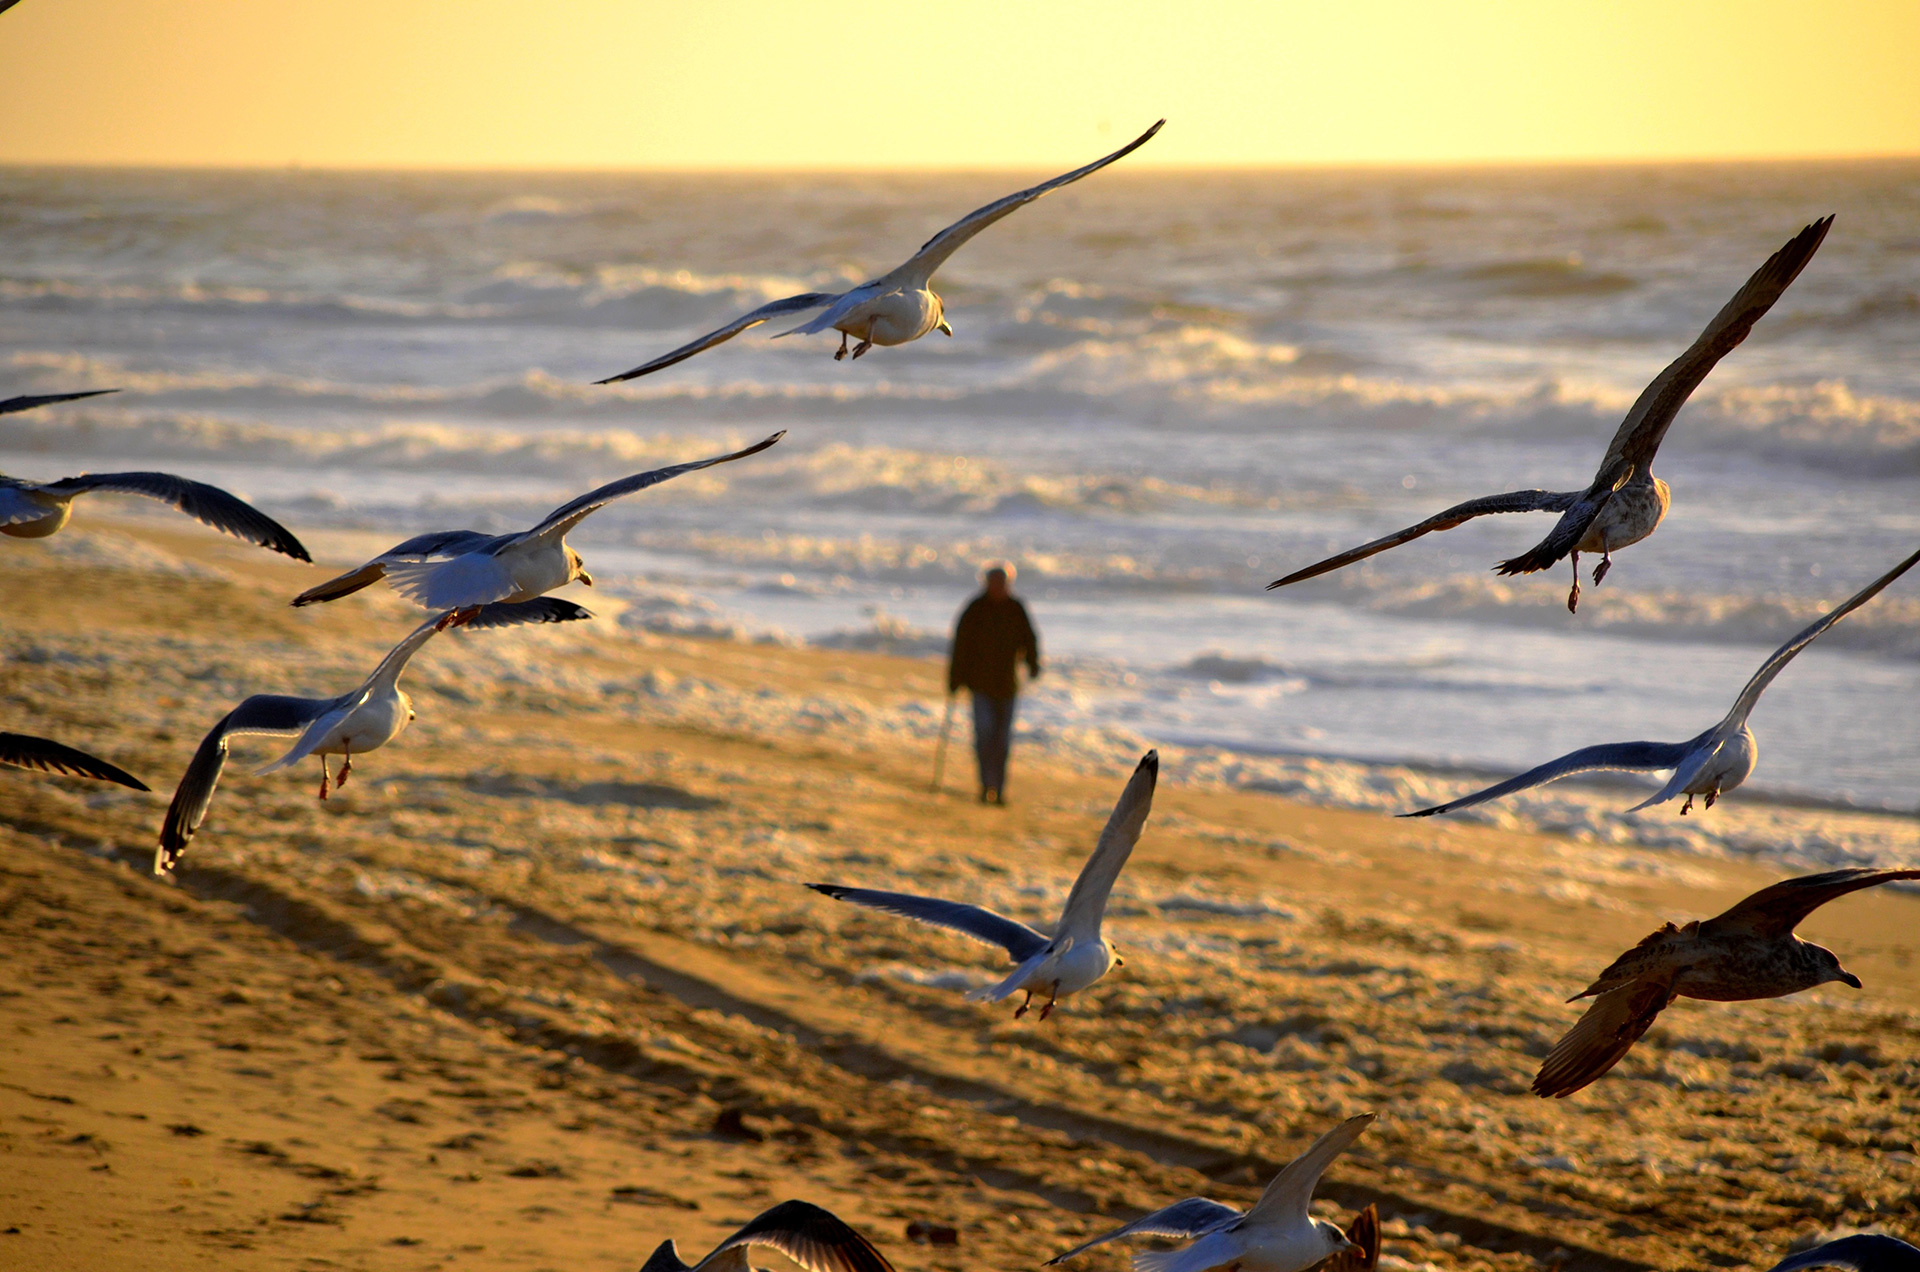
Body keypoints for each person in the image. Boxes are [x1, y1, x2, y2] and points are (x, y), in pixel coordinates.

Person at [947, 563, 1041, 805]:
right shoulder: (974, 609)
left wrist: (1033, 664)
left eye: (1003, 583)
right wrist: (954, 679)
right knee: (984, 735)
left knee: (1002, 740)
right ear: (986, 584)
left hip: (1008, 686)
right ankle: (985, 785)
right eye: (995, 583)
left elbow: (1029, 639)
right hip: (980, 685)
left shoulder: (1016, 608)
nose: (999, 587)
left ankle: (998, 789)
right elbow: (960, 646)